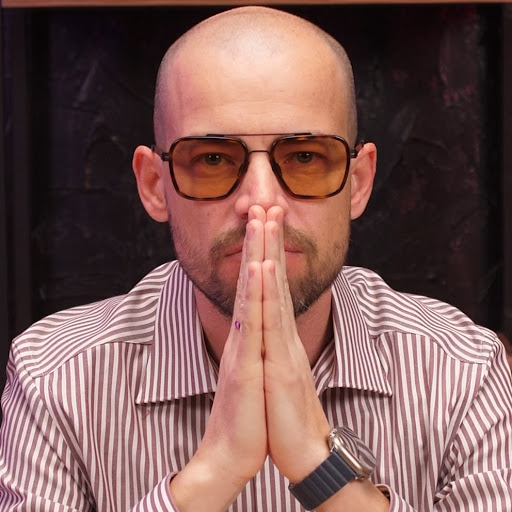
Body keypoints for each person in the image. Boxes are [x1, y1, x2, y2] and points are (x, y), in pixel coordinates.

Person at [0, 6, 511, 512]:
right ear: (155, 185)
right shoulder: (55, 379)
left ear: (358, 183)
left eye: (305, 157)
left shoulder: (462, 372)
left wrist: (318, 465)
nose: (261, 202)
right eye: (213, 159)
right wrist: (218, 468)